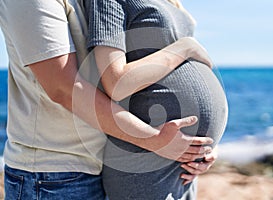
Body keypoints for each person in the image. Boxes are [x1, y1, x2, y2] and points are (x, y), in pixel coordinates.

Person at [0, 0, 217, 199]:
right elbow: (63, 88)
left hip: (105, 160)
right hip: (54, 174)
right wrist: (154, 140)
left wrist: (199, 147)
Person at [85, 0, 228, 199]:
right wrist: (185, 48)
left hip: (184, 166)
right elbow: (116, 83)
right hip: (146, 160)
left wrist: (209, 148)